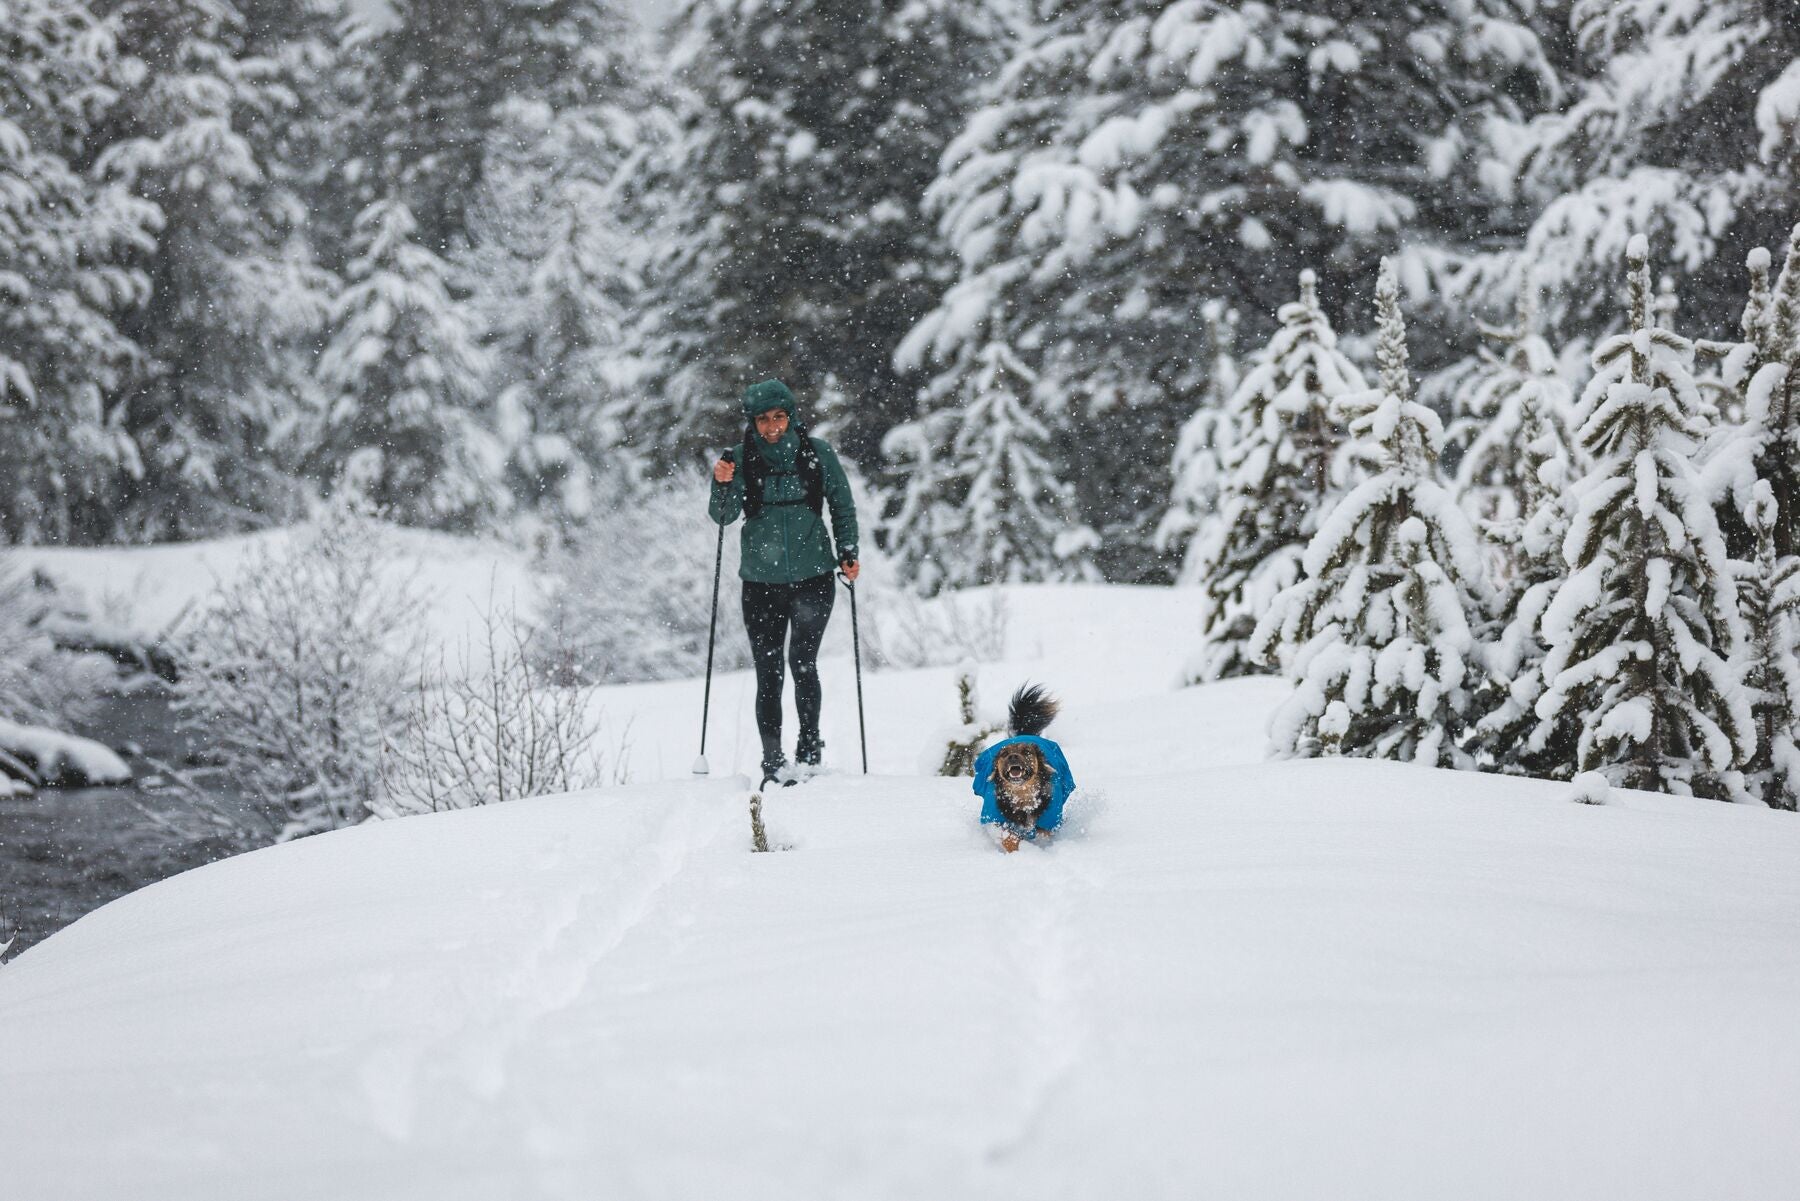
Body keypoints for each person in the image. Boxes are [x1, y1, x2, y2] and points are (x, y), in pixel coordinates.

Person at [710, 379, 859, 785]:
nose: (772, 426)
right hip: (760, 584)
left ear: (791, 417)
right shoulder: (739, 460)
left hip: (814, 579)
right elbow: (722, 517)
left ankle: (809, 752)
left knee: (803, 664)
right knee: (768, 671)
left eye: (779, 417)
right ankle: (773, 762)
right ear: (753, 423)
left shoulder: (818, 454)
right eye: (763, 419)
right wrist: (721, 482)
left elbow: (842, 505)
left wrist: (848, 551)